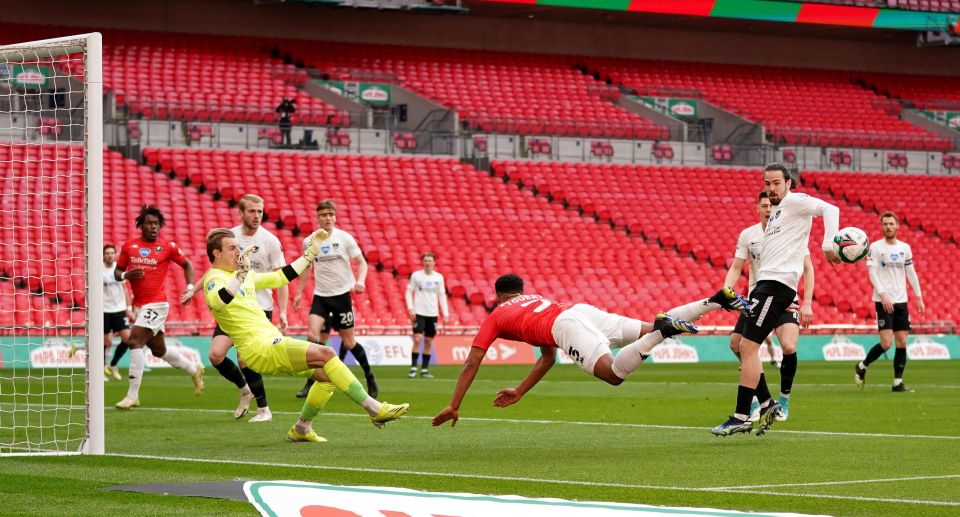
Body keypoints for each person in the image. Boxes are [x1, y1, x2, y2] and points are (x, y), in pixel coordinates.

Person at [432, 274, 752, 427]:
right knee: (648, 325)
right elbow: (548, 357)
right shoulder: (532, 299)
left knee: (613, 374)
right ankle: (714, 301)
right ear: (521, 291)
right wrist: (520, 391)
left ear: (498, 296)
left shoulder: (498, 314)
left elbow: (473, 361)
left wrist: (454, 404)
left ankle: (664, 331)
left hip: (566, 324)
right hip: (580, 311)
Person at [201, 227, 408, 442]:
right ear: (216, 253)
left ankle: (302, 428)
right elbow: (218, 302)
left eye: (238, 247)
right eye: (232, 248)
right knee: (327, 353)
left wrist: (310, 254)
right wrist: (239, 276)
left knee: (327, 376)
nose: (238, 252)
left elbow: (281, 277)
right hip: (259, 348)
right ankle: (375, 409)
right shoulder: (214, 278)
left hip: (269, 341)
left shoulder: (245, 276)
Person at [711, 164, 839, 437]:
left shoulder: (795, 201)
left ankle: (742, 415)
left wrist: (828, 244)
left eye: (776, 183)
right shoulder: (777, 214)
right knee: (741, 345)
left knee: (748, 347)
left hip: (776, 286)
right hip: (765, 286)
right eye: (767, 183)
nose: (771, 189)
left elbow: (831, 209)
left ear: (789, 183)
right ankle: (766, 403)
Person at [181, 194, 284, 422]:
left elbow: (280, 275)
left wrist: (283, 311)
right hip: (231, 304)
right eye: (252, 211)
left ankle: (264, 409)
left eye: (260, 211)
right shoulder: (229, 237)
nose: (257, 216)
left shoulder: (270, 241)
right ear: (242, 213)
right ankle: (245, 390)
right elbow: (212, 272)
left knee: (245, 359)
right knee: (216, 355)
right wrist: (193, 291)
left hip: (259, 306)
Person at [724, 191, 815, 423]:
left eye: (770, 205)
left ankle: (783, 398)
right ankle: (762, 399)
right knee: (736, 345)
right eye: (763, 205)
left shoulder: (790, 231)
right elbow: (736, 267)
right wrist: (727, 290)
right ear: (757, 208)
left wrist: (806, 303)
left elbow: (808, 268)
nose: (767, 209)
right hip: (757, 297)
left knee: (788, 345)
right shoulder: (748, 235)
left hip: (785, 298)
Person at [114, 205, 204, 410]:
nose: (153, 227)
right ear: (141, 225)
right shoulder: (129, 246)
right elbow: (117, 272)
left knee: (134, 341)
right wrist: (126, 275)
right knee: (158, 350)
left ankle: (132, 395)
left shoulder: (167, 247)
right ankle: (194, 369)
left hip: (158, 304)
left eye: (156, 224)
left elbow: (188, 265)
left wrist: (190, 287)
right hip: (139, 305)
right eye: (149, 223)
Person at [293, 200, 377, 398]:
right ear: (318, 218)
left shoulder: (345, 238)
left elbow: (361, 263)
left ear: (335, 217)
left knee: (349, 343)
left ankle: (370, 377)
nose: (327, 218)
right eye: (323, 215)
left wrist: (361, 281)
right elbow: (306, 268)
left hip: (341, 297)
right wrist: (298, 292)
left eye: (330, 214)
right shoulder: (310, 241)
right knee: (313, 337)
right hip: (321, 296)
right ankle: (310, 382)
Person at [854, 211, 925, 392]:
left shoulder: (905, 248)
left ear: (897, 226)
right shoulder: (876, 248)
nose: (888, 227)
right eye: (885, 224)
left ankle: (897, 383)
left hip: (901, 300)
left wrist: (918, 296)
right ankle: (862, 366)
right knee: (886, 343)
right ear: (882, 226)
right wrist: (883, 294)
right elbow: (872, 273)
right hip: (883, 300)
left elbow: (911, 273)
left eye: (891, 224)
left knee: (902, 342)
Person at [69, 244, 135, 379]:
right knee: (105, 343)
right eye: (107, 253)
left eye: (112, 253)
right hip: (104, 311)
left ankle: (113, 364)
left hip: (119, 310)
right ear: (103, 255)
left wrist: (128, 309)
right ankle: (99, 371)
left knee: (128, 339)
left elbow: (124, 289)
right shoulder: (97, 269)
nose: (110, 255)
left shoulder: (119, 268)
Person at [406, 252, 448, 379]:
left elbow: (442, 295)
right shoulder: (416, 276)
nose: (427, 263)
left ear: (434, 263)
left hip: (432, 313)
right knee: (417, 339)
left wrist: (445, 313)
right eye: (425, 260)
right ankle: (413, 367)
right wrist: (410, 308)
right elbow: (409, 292)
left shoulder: (438, 277)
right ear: (423, 262)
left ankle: (424, 369)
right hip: (419, 312)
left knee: (429, 341)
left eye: (430, 260)